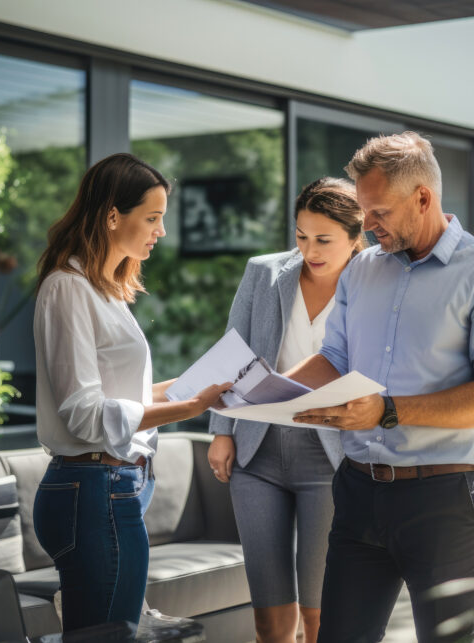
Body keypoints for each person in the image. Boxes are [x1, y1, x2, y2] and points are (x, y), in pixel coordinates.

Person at [287, 132, 474, 642]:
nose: (365, 224)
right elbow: (335, 358)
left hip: (441, 500)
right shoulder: (360, 272)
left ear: (424, 197)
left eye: (378, 212)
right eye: (362, 211)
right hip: (357, 493)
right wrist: (269, 390)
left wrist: (387, 410)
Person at [31, 153, 232, 632]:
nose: (161, 231)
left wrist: (190, 388)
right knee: (108, 636)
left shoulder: (107, 291)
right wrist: (189, 407)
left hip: (114, 489)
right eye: (153, 218)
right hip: (94, 489)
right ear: (112, 214)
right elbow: (84, 414)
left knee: (112, 632)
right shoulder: (68, 289)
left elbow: (123, 392)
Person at [207, 178, 366, 643]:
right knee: (269, 619)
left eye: (323, 239)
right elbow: (231, 351)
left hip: (332, 458)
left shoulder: (377, 281)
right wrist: (222, 430)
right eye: (300, 235)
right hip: (256, 454)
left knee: (320, 614)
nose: (308, 250)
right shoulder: (264, 272)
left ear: (356, 238)